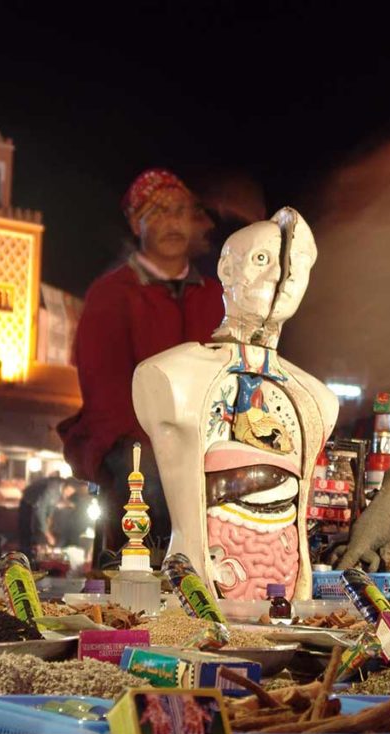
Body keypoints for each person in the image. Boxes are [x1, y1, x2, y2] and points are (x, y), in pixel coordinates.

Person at [59, 169, 226, 559]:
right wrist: (165, 438)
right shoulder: (112, 294)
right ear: (137, 222)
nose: (173, 222)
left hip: (204, 433)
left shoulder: (217, 295)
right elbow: (105, 391)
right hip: (131, 435)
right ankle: (147, 571)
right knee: (151, 474)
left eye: (182, 212)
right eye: (160, 211)